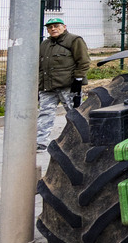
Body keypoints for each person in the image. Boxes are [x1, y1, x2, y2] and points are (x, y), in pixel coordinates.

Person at [37, 18, 90, 150]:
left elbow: (83, 61)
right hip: (48, 86)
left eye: (56, 26)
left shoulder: (74, 40)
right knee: (45, 113)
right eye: (50, 27)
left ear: (64, 27)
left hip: (68, 86)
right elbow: (40, 65)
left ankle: (82, 140)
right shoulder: (45, 44)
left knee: (75, 113)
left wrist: (78, 80)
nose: (53, 29)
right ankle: (41, 142)